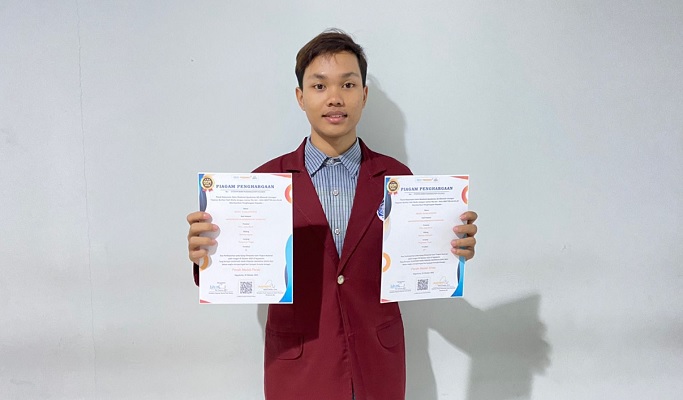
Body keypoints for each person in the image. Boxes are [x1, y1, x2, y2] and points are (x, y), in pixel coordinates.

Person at [186, 29, 478, 400]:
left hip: (376, 364)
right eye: (320, 86)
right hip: (300, 365)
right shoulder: (263, 183)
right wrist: (205, 254)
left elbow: (417, 259)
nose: (335, 97)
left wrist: (451, 247)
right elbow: (233, 268)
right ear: (301, 97)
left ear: (364, 95)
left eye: (348, 84)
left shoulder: (398, 180)